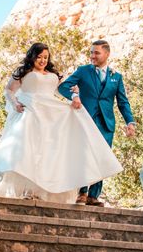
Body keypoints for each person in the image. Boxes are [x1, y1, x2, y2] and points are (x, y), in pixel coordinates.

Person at [0, 42, 122, 204]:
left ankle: (43, 190)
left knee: (48, 151)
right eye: (39, 57)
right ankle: (26, 190)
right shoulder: (24, 72)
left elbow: (64, 90)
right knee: (27, 149)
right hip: (29, 110)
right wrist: (15, 103)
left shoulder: (53, 75)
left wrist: (75, 96)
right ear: (33, 57)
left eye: (46, 57)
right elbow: (9, 90)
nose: (43, 61)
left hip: (49, 113)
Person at [58, 40, 136, 207]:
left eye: (96, 53)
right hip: (86, 120)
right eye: (91, 52)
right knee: (85, 155)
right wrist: (74, 96)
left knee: (102, 158)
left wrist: (130, 122)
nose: (92, 56)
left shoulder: (116, 76)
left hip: (106, 124)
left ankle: (94, 196)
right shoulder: (83, 71)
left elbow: (123, 102)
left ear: (106, 54)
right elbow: (64, 86)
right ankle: (82, 192)